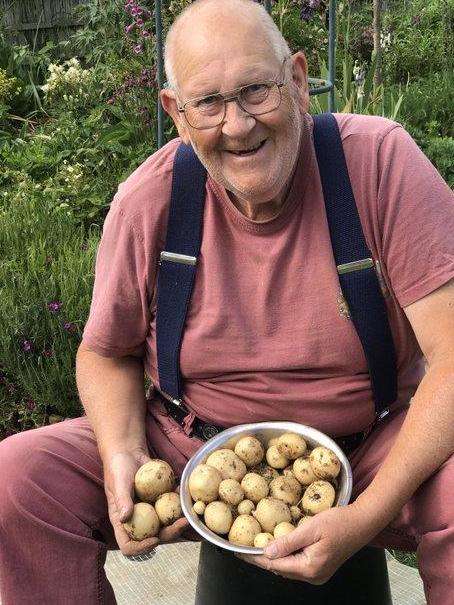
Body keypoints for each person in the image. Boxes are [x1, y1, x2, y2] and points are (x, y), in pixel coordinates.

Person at [1, 0, 453, 603]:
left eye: (256, 90)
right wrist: (122, 451)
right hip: (190, 450)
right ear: (177, 113)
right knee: (17, 482)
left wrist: (368, 512)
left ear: (297, 80)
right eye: (209, 102)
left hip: (372, 448)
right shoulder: (151, 200)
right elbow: (106, 353)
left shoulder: (377, 164)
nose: (237, 125)